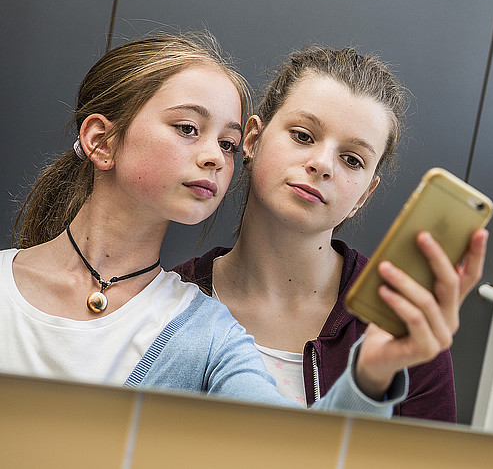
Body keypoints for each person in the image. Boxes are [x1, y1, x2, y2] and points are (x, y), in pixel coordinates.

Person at [1, 33, 407, 417]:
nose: (215, 155)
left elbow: (299, 447)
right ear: (102, 141)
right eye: (188, 129)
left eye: (226, 143)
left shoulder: (210, 331)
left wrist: (369, 377)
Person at [173, 45, 489, 422]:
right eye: (303, 136)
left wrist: (375, 376)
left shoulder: (402, 324)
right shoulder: (172, 301)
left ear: (363, 195)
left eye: (352, 160)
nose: (322, 165)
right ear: (253, 140)